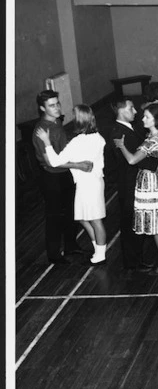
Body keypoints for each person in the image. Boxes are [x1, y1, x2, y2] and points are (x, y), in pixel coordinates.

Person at [114, 104, 158, 276]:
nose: (142, 119)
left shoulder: (152, 140)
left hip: (150, 184)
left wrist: (122, 146)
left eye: (146, 117)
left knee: (155, 227)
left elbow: (132, 160)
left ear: (156, 120)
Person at [35, 105, 107, 265]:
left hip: (88, 185)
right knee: (82, 217)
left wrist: (47, 142)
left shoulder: (78, 142)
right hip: (93, 182)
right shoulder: (98, 137)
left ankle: (101, 254)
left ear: (79, 121)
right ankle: (98, 247)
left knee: (95, 220)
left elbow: (54, 161)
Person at [31, 90, 89, 264]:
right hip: (52, 178)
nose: (57, 108)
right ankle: (54, 255)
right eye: (51, 105)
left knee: (70, 211)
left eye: (57, 104)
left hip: (64, 175)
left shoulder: (56, 122)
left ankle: (71, 245)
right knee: (55, 216)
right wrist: (78, 165)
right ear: (42, 108)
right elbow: (51, 162)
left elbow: (61, 149)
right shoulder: (41, 130)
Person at [105, 97, 158, 272]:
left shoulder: (127, 129)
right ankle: (133, 262)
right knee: (131, 224)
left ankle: (136, 258)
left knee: (135, 222)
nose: (135, 111)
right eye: (131, 108)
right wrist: (155, 165)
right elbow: (132, 159)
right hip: (130, 184)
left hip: (133, 182)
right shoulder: (118, 133)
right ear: (121, 111)